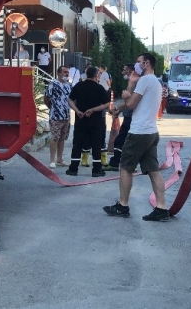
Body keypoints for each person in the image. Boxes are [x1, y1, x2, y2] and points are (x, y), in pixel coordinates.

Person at [103, 52, 169, 222]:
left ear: (147, 63)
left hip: (139, 132)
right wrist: (121, 106)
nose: (136, 65)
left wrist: (129, 88)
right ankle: (162, 207)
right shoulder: (155, 81)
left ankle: (123, 205)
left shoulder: (145, 80)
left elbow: (131, 103)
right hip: (151, 132)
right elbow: (138, 102)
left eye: (139, 62)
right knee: (153, 170)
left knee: (125, 167)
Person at [66, 66, 110, 177]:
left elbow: (70, 100)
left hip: (80, 120)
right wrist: (93, 110)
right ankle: (96, 169)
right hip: (95, 122)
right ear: (96, 75)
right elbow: (106, 104)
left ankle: (73, 168)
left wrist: (77, 111)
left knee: (78, 144)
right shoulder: (99, 88)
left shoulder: (79, 86)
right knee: (96, 144)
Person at [105, 63, 138, 171]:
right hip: (129, 116)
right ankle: (126, 163)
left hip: (132, 117)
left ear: (130, 71)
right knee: (125, 141)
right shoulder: (132, 83)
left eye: (124, 70)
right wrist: (118, 110)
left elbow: (131, 100)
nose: (123, 72)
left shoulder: (135, 84)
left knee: (121, 140)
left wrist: (118, 109)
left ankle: (117, 163)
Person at [44, 66, 72, 169]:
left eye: (67, 72)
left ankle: (60, 159)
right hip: (56, 116)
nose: (67, 74)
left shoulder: (68, 85)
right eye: (65, 72)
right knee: (55, 137)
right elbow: (46, 98)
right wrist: (52, 108)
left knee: (62, 138)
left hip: (66, 116)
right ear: (59, 73)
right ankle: (52, 160)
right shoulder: (53, 84)